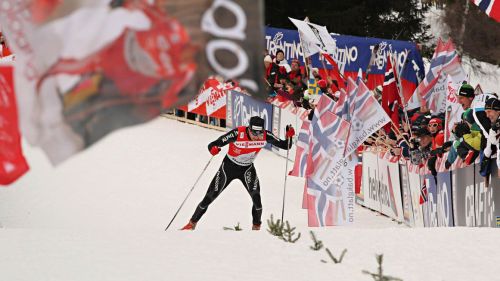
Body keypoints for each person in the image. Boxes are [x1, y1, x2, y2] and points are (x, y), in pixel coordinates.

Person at [181, 116, 295, 231]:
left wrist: (289, 136)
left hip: (247, 169)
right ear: (249, 129)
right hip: (228, 168)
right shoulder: (237, 133)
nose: (257, 137)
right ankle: (191, 224)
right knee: (209, 198)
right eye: (254, 133)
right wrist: (213, 149)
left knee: (257, 202)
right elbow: (214, 144)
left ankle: (256, 228)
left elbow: (286, 146)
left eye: (259, 133)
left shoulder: (266, 135)